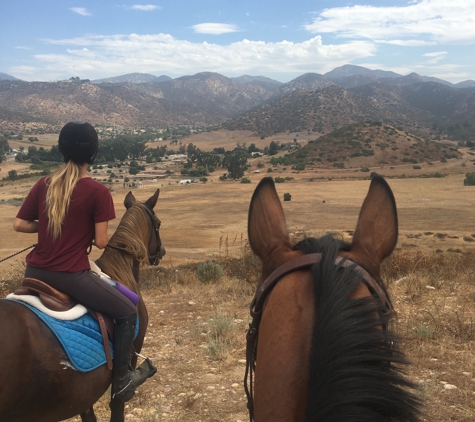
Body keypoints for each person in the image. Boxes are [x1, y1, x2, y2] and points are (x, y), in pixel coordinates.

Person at [13, 121, 156, 402]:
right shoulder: (97, 192)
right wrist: (78, 229)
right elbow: (102, 242)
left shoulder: (44, 184)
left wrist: (50, 226)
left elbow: (19, 224)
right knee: (128, 309)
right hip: (70, 275)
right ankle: (123, 382)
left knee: (129, 296)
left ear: (61, 151)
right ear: (93, 154)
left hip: (34, 270)